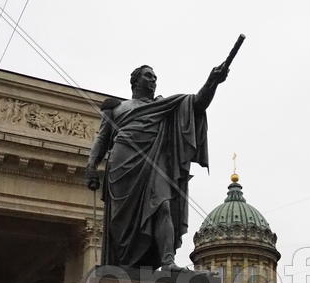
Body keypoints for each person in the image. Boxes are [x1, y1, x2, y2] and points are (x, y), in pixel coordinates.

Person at [86, 62, 229, 270]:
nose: (153, 80)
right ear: (135, 81)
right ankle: (123, 262)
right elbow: (102, 139)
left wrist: (212, 82)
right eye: (148, 76)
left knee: (163, 206)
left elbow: (197, 104)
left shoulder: (164, 106)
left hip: (155, 163)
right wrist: (91, 166)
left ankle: (167, 261)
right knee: (122, 222)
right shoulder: (117, 108)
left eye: (155, 77)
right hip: (122, 166)